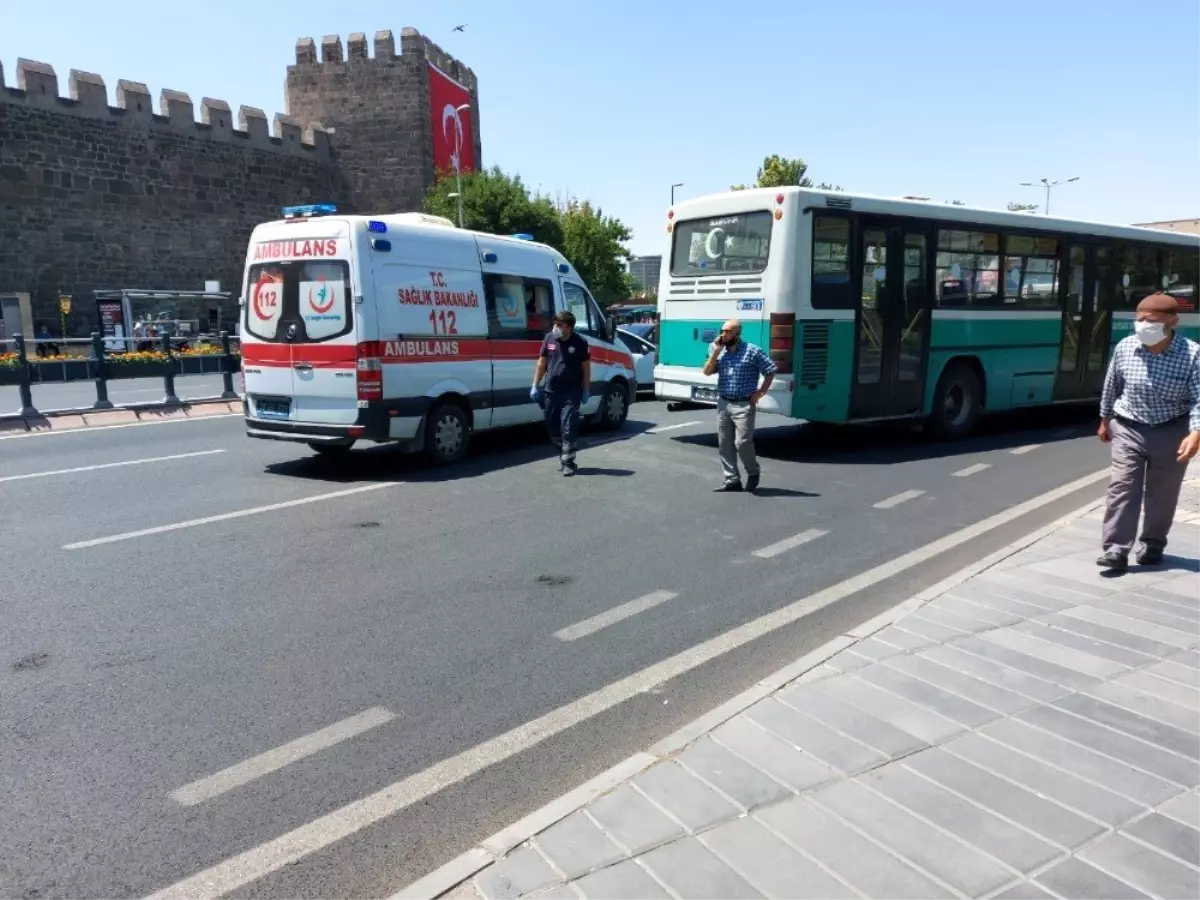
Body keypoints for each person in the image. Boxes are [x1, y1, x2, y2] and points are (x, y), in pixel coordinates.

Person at [1097, 292, 1200, 570]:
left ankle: (1153, 542)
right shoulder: (1126, 347)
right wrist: (1105, 418)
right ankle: (1116, 549)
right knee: (1122, 487)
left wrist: (1195, 433)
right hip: (1129, 426)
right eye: (1139, 319)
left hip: (1171, 430)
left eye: (1151, 321)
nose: (1143, 325)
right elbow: (1112, 385)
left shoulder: (1192, 354)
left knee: (1162, 492)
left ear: (1173, 321)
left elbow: (1198, 398)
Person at [703, 318, 777, 492]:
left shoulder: (752, 351)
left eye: (728, 331)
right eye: (722, 331)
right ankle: (732, 480)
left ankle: (753, 471)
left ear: (737, 334)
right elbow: (706, 372)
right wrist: (715, 353)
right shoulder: (718, 351)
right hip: (724, 402)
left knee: (742, 442)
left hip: (743, 404)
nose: (723, 334)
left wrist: (761, 392)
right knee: (724, 443)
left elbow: (770, 370)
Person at [532, 310, 591, 476]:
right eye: (554, 324)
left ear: (569, 328)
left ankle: (568, 462)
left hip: (571, 393)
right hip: (551, 391)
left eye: (559, 325)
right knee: (552, 428)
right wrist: (535, 385)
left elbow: (586, 367)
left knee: (568, 426)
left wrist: (586, 389)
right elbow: (541, 363)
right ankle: (563, 453)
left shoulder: (580, 342)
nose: (555, 327)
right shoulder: (549, 339)